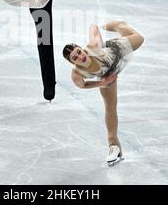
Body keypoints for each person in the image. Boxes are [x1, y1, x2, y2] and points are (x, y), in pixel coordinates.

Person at [62, 21, 144, 165]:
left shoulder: (93, 46)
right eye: (75, 58)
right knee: (110, 106)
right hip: (108, 74)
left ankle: (118, 25)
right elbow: (83, 85)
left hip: (116, 51)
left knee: (139, 38)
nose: (80, 57)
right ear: (72, 62)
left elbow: (93, 26)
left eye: (79, 52)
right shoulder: (77, 74)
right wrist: (102, 83)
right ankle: (114, 147)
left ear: (82, 49)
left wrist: (99, 40)